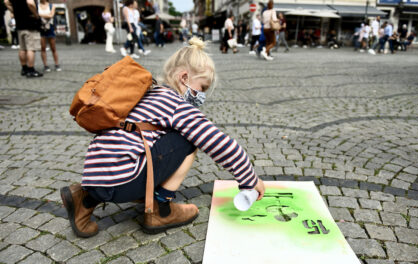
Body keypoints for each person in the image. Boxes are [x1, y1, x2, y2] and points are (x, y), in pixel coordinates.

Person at [60, 37, 266, 238]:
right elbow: (218, 142)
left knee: (154, 139)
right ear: (184, 78)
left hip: (94, 178)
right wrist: (249, 179)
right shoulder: (175, 104)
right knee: (190, 138)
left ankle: (84, 199)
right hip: (122, 180)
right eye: (202, 88)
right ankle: (161, 208)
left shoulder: (146, 94)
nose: (202, 96)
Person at [5, 0, 43, 78]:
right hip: (30, 23)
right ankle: (31, 70)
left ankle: (24, 68)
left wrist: (15, 11)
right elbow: (30, 3)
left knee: (22, 48)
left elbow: (6, 2)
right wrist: (36, 15)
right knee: (31, 48)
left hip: (20, 24)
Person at [39, 0, 61, 72]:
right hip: (41, 28)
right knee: (43, 48)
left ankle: (57, 64)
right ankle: (46, 65)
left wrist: (39, 15)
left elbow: (51, 15)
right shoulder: (37, 6)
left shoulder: (51, 6)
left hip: (50, 28)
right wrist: (46, 15)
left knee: (53, 47)